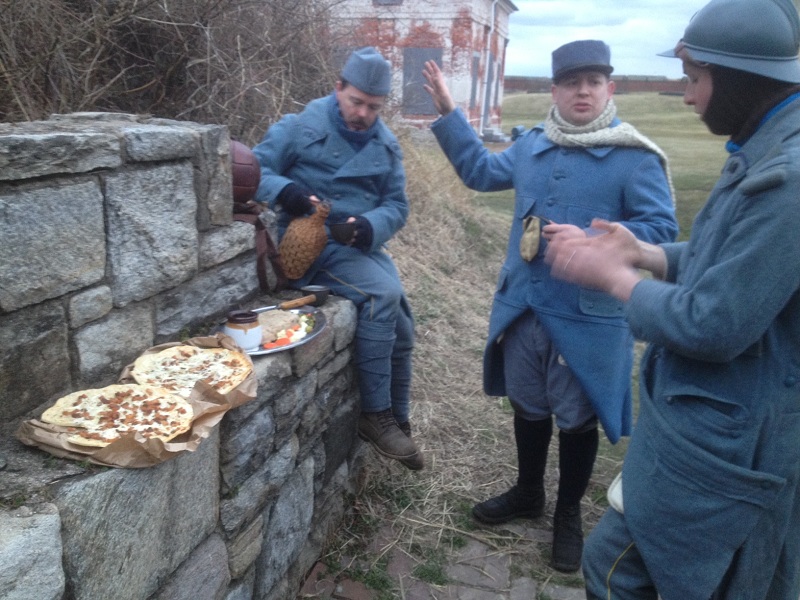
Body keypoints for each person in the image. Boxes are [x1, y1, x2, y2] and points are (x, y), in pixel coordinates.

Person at [544, 0, 800, 597]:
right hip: (727, 427)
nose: (688, 97)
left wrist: (615, 279)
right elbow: (735, 259)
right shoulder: (767, 146)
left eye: (695, 79)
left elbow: (715, 321)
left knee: (616, 571)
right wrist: (647, 254)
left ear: (738, 77)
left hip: (728, 441)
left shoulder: (786, 180)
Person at [422, 41, 679, 572]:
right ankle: (527, 492)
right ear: (555, 90)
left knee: (576, 419)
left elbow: (661, 234)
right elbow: (478, 172)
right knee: (529, 405)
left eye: (593, 81)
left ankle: (567, 516)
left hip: (588, 318)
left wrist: (592, 240)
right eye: (571, 82)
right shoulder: (534, 144)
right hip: (523, 309)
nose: (582, 91)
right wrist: (450, 113)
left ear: (609, 88)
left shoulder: (636, 157)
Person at [252, 47, 423, 471]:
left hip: (357, 244)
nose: (363, 113)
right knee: (383, 294)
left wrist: (369, 226)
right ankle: (375, 415)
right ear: (338, 88)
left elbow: (397, 206)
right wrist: (284, 191)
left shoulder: (386, 146)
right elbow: (251, 168)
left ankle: (398, 419)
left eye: (373, 107)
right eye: (356, 101)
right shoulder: (299, 126)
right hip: (311, 244)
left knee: (402, 320)